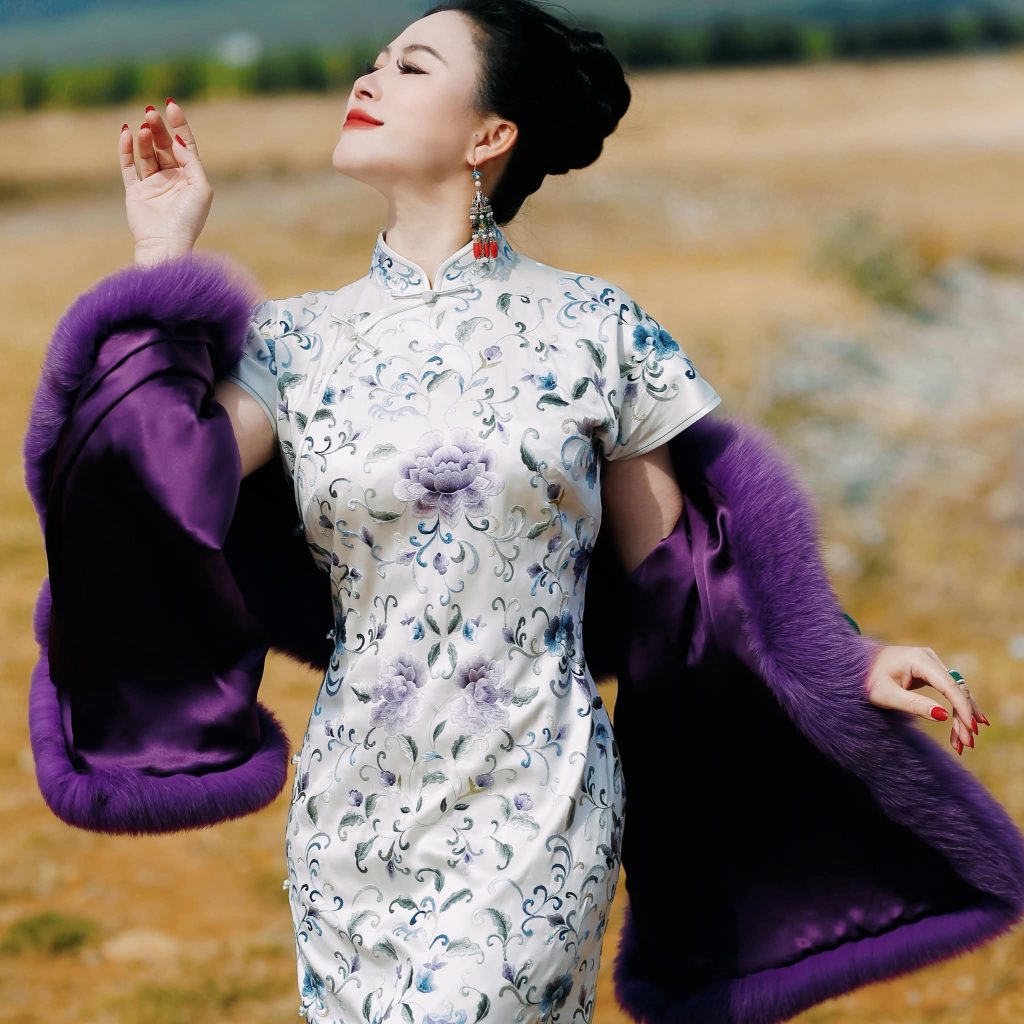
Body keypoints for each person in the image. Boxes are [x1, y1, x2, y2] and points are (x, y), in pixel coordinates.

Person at [113, 2, 992, 1020]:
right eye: (373, 59)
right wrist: (162, 257)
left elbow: (688, 570)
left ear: (490, 136)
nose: (366, 80)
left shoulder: (593, 331)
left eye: (410, 66)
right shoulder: (291, 345)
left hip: (534, 805)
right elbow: (158, 490)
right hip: (353, 817)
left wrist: (842, 659)